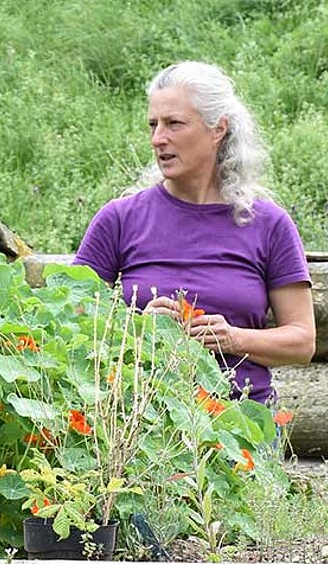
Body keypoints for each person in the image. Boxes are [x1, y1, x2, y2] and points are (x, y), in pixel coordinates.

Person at [74, 61, 315, 405]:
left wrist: (233, 339)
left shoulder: (269, 224)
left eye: (174, 124)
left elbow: (302, 342)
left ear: (218, 129)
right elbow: (69, 317)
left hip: (241, 427)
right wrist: (136, 328)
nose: (158, 139)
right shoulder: (120, 218)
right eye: (153, 125)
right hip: (139, 424)